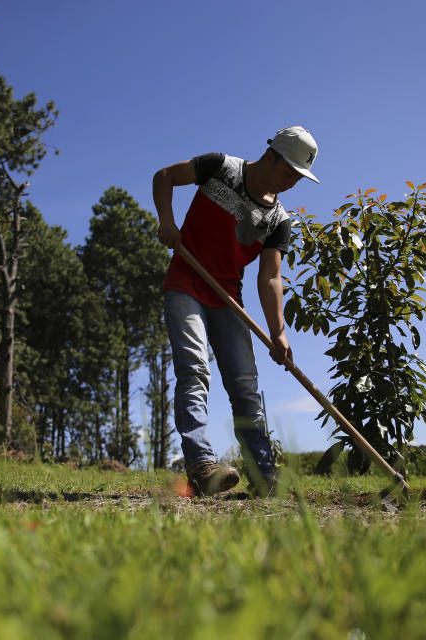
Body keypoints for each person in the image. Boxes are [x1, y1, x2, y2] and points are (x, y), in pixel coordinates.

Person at [152, 126, 319, 497]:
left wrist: (278, 332)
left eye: (299, 177)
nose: (292, 182)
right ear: (271, 155)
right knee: (194, 369)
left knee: (245, 385)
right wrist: (167, 221)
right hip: (186, 280)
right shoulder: (220, 168)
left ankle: (264, 477)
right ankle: (202, 466)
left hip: (227, 296)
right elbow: (164, 176)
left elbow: (271, 277)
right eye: (289, 172)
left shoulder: (279, 221)